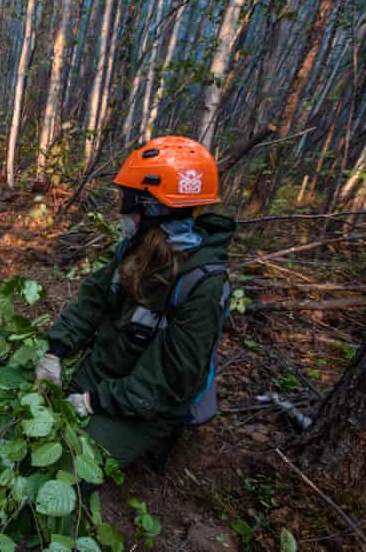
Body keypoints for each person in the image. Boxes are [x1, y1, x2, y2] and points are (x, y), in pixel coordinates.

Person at [36, 136, 235, 468]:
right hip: (112, 368)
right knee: (41, 421)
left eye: (129, 199)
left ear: (154, 207)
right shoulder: (137, 247)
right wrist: (55, 351)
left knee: (67, 463)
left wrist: (93, 401)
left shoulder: (203, 285)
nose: (123, 208)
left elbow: (169, 381)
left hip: (150, 401)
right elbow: (94, 297)